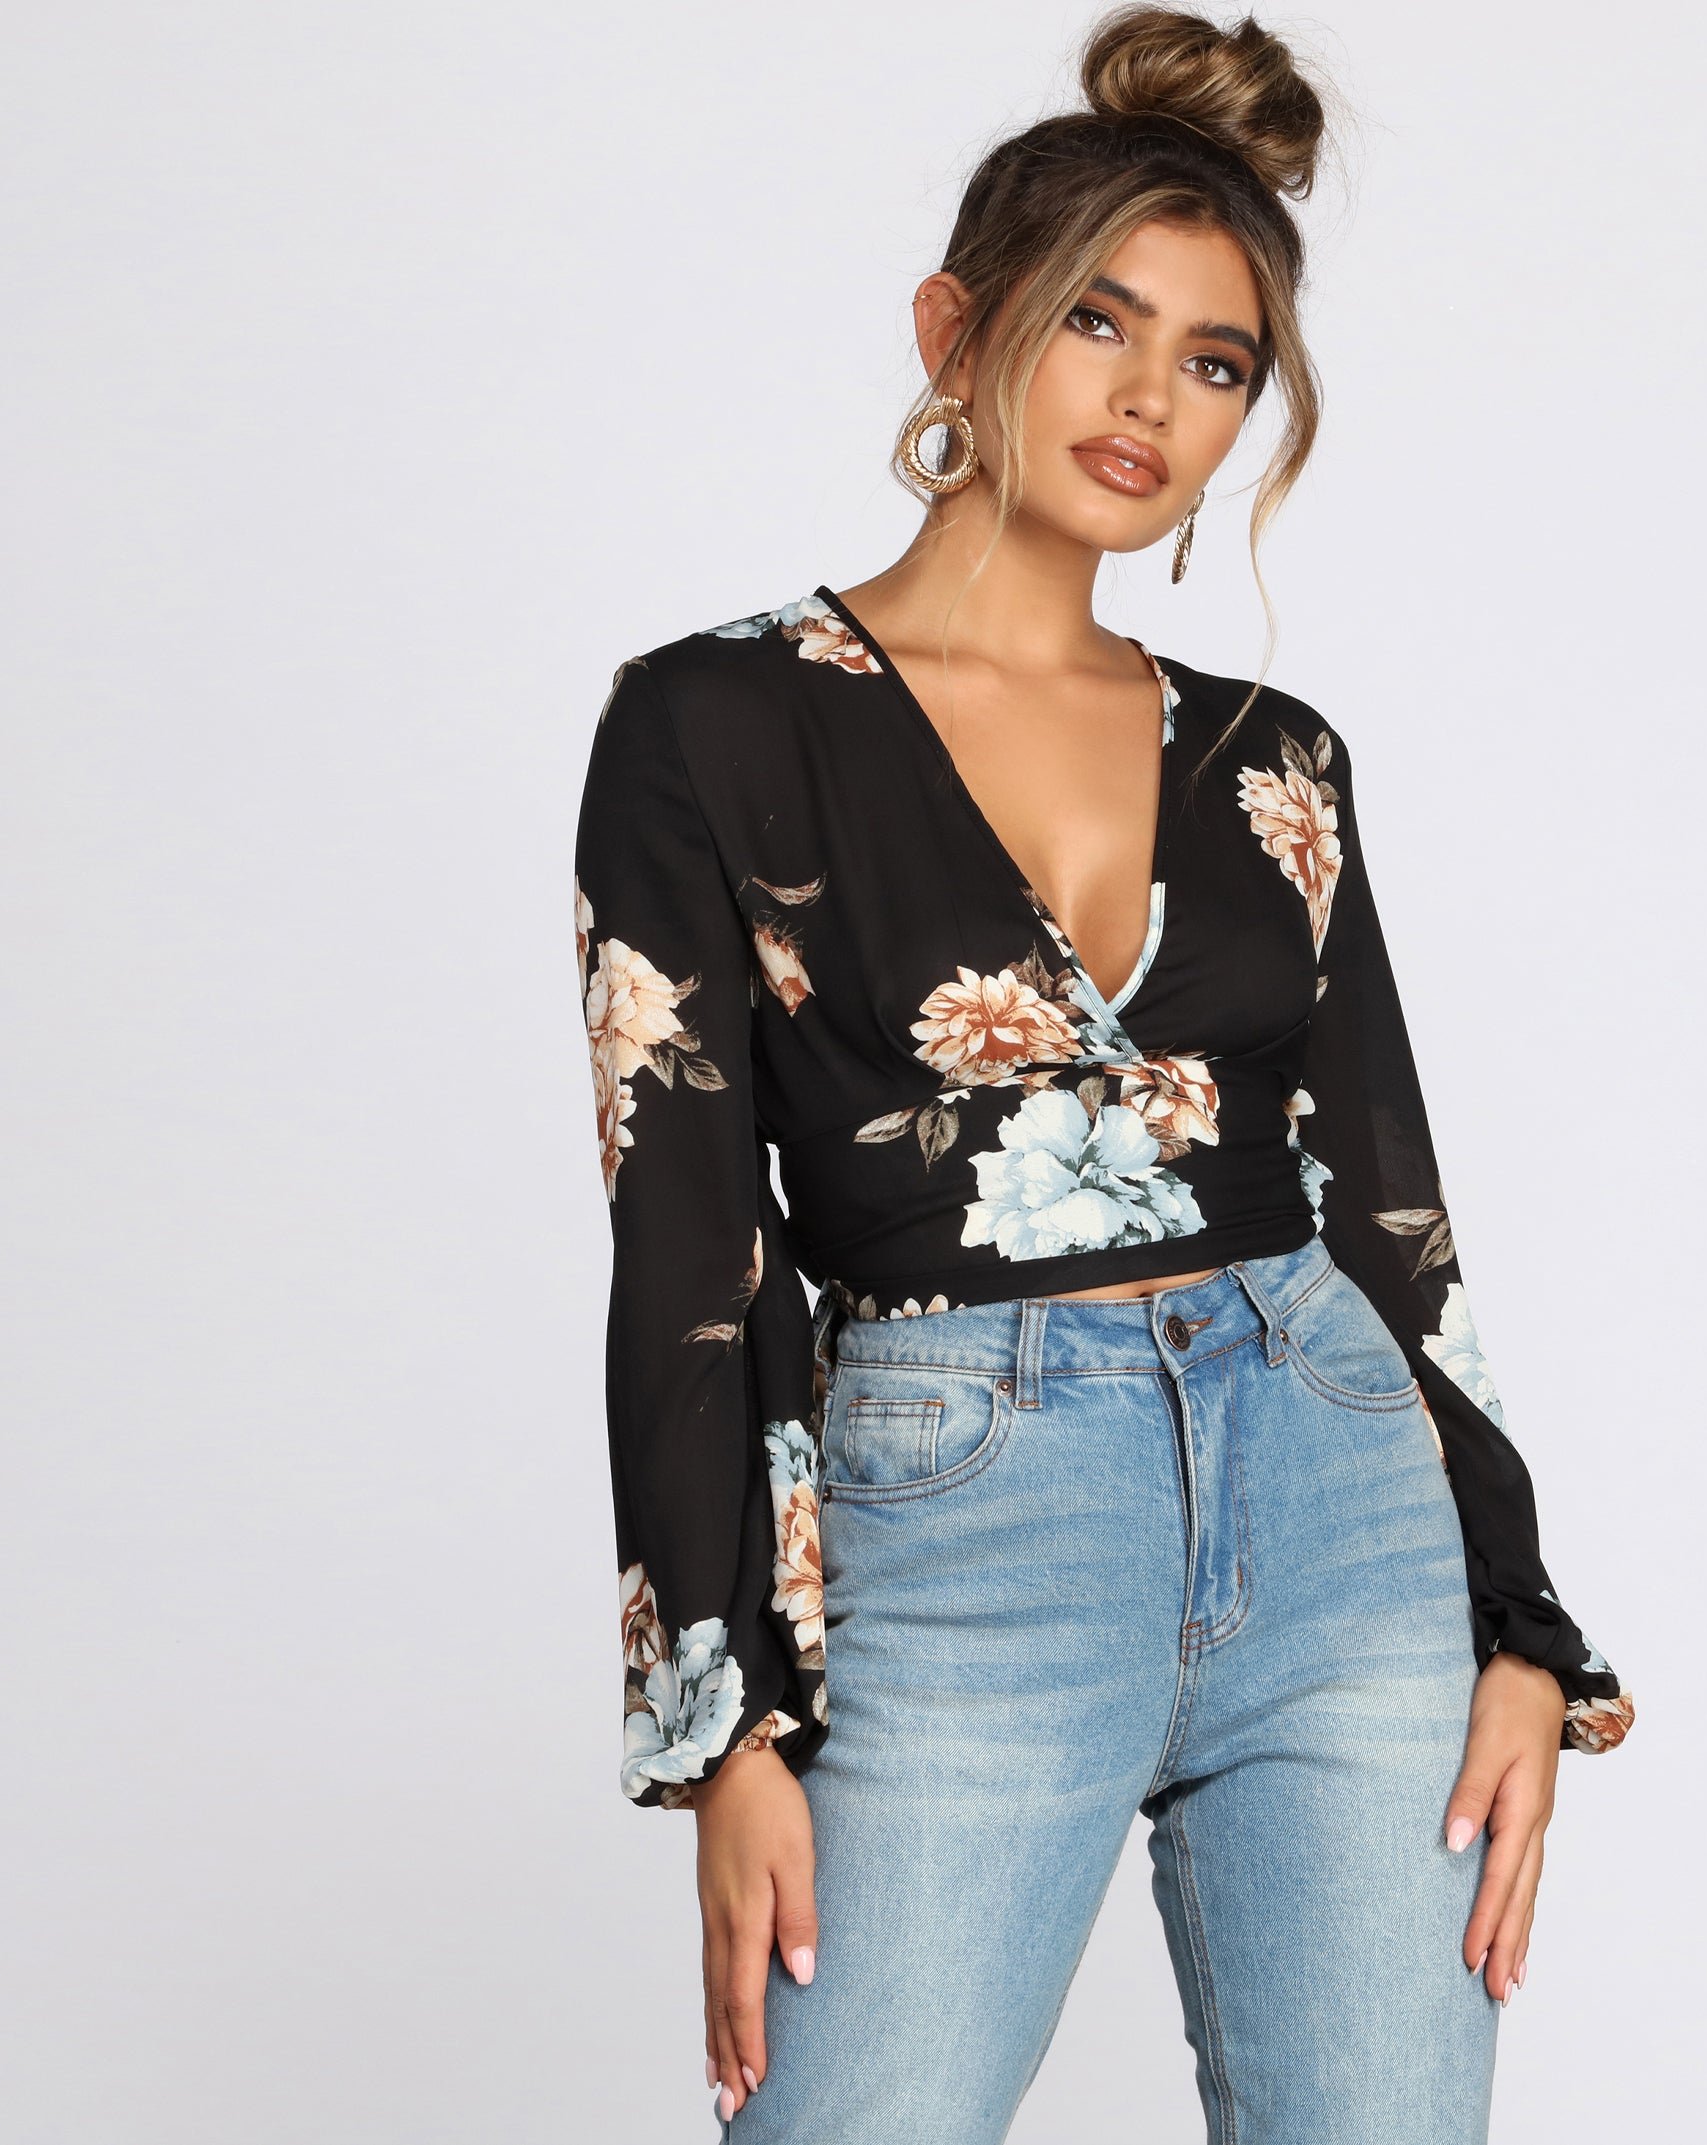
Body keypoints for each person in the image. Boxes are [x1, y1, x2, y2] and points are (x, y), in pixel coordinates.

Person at [572, 10, 1631, 2138]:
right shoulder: (714, 724)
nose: (1151, 398)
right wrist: (727, 1717)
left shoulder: (1271, 755)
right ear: (954, 330)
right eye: (1096, 322)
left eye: (1217, 361)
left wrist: (1514, 1618)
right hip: (961, 1519)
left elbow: (1386, 1200)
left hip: (1337, 1501)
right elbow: (687, 1237)